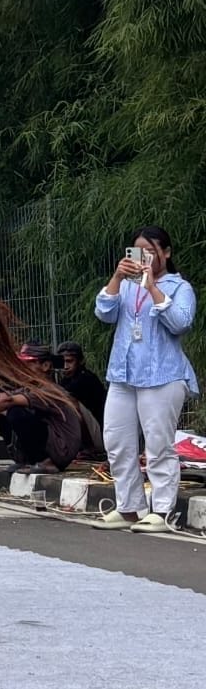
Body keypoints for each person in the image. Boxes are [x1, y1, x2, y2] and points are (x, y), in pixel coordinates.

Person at [94, 228, 197, 533]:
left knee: (158, 446)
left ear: (166, 253)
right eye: (137, 252)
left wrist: (152, 288)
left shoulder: (179, 287)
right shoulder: (125, 287)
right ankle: (129, 508)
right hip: (123, 376)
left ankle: (163, 512)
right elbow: (104, 313)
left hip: (162, 377)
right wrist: (116, 278)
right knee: (116, 443)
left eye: (150, 252)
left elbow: (181, 323)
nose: (143, 258)